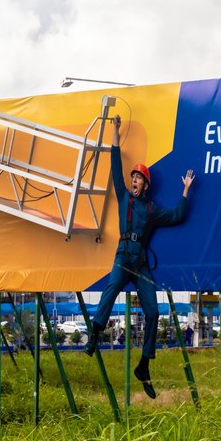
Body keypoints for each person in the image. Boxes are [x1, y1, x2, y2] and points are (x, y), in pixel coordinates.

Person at [84, 114, 195, 399]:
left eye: (138, 178)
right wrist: (116, 130)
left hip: (141, 262)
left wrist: (185, 190)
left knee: (154, 312)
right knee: (109, 291)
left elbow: (177, 216)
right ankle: (94, 334)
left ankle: (144, 366)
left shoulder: (152, 209)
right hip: (123, 256)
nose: (133, 180)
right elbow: (113, 163)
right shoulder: (123, 197)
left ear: (145, 184)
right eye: (132, 176)